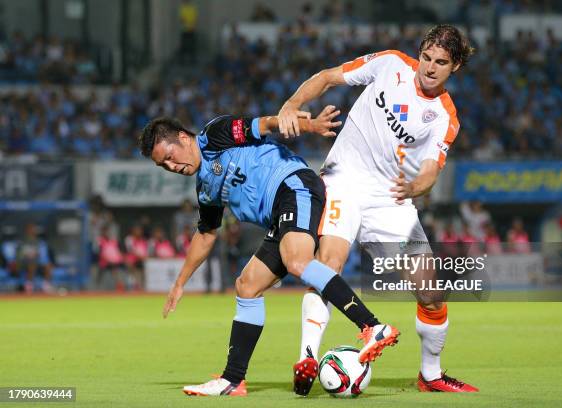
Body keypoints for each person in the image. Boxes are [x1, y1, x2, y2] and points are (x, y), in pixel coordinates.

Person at [138, 106, 400, 397]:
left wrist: (310, 125)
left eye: (170, 157)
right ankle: (233, 380)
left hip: (293, 185)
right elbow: (206, 234)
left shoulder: (213, 135)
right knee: (247, 285)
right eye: (164, 166)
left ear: (183, 138)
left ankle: (373, 326)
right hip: (279, 214)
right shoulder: (206, 188)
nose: (172, 167)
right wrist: (179, 283)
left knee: (298, 261)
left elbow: (264, 125)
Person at [278, 24, 478, 393]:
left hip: (392, 198)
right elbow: (327, 78)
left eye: (441, 63)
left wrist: (416, 186)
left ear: (455, 68)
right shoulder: (389, 64)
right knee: (329, 264)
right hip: (344, 180)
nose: (430, 68)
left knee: (431, 294)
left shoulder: (445, 117)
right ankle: (306, 357)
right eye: (427, 57)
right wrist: (292, 104)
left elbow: (432, 169)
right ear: (419, 54)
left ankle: (430, 375)